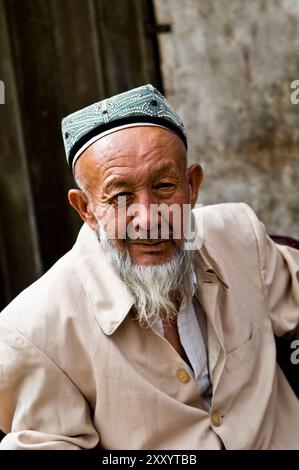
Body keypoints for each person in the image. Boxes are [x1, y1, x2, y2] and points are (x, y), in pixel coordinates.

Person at [0, 84, 298, 450]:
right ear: (86, 209)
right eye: (121, 196)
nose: (149, 218)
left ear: (192, 185)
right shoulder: (32, 330)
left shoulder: (239, 236)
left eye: (164, 186)